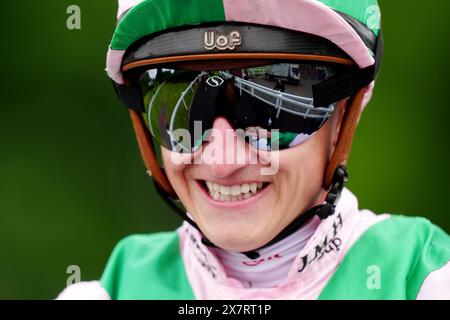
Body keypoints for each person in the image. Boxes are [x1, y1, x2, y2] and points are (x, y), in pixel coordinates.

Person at [58, 0, 450, 300]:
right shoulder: (111, 290)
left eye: (270, 111)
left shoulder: (424, 279)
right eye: (183, 105)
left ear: (345, 114)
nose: (223, 161)